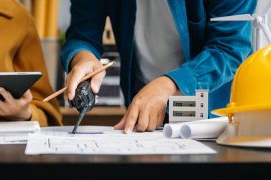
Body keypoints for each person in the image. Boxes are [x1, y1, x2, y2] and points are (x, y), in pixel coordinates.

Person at [61, 0, 257, 133]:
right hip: (144, 115)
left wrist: (168, 85)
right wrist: (82, 58)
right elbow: (82, 34)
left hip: (213, 114)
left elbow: (230, 46)